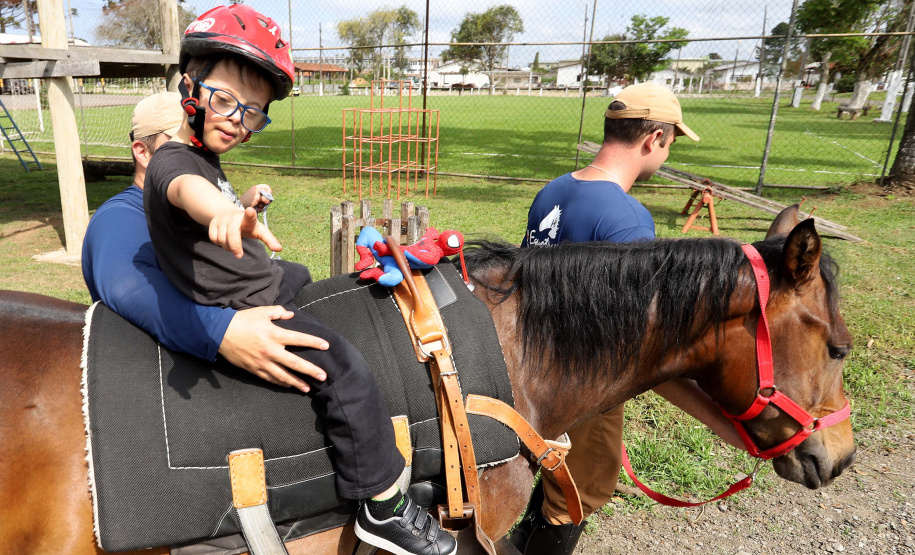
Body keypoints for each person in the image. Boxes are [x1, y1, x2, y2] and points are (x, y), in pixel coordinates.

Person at [142, 6, 456, 555]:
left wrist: (243, 203)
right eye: (225, 101)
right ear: (188, 86)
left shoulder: (200, 155)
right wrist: (222, 211)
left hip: (261, 279)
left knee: (304, 275)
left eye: (253, 114)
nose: (237, 121)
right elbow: (188, 193)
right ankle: (382, 505)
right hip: (241, 306)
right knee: (345, 368)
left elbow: (209, 192)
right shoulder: (173, 162)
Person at [512, 82, 746, 555]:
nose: (667, 151)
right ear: (653, 138)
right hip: (585, 381)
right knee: (581, 489)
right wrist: (723, 422)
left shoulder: (552, 190)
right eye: (671, 141)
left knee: (556, 475)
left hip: (531, 369)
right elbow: (642, 348)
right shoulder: (627, 219)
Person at [82, 91, 329, 392]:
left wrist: (240, 207)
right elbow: (127, 287)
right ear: (143, 152)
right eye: (178, 141)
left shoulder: (193, 198)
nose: (191, 151)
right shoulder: (118, 216)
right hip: (165, 381)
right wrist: (224, 332)